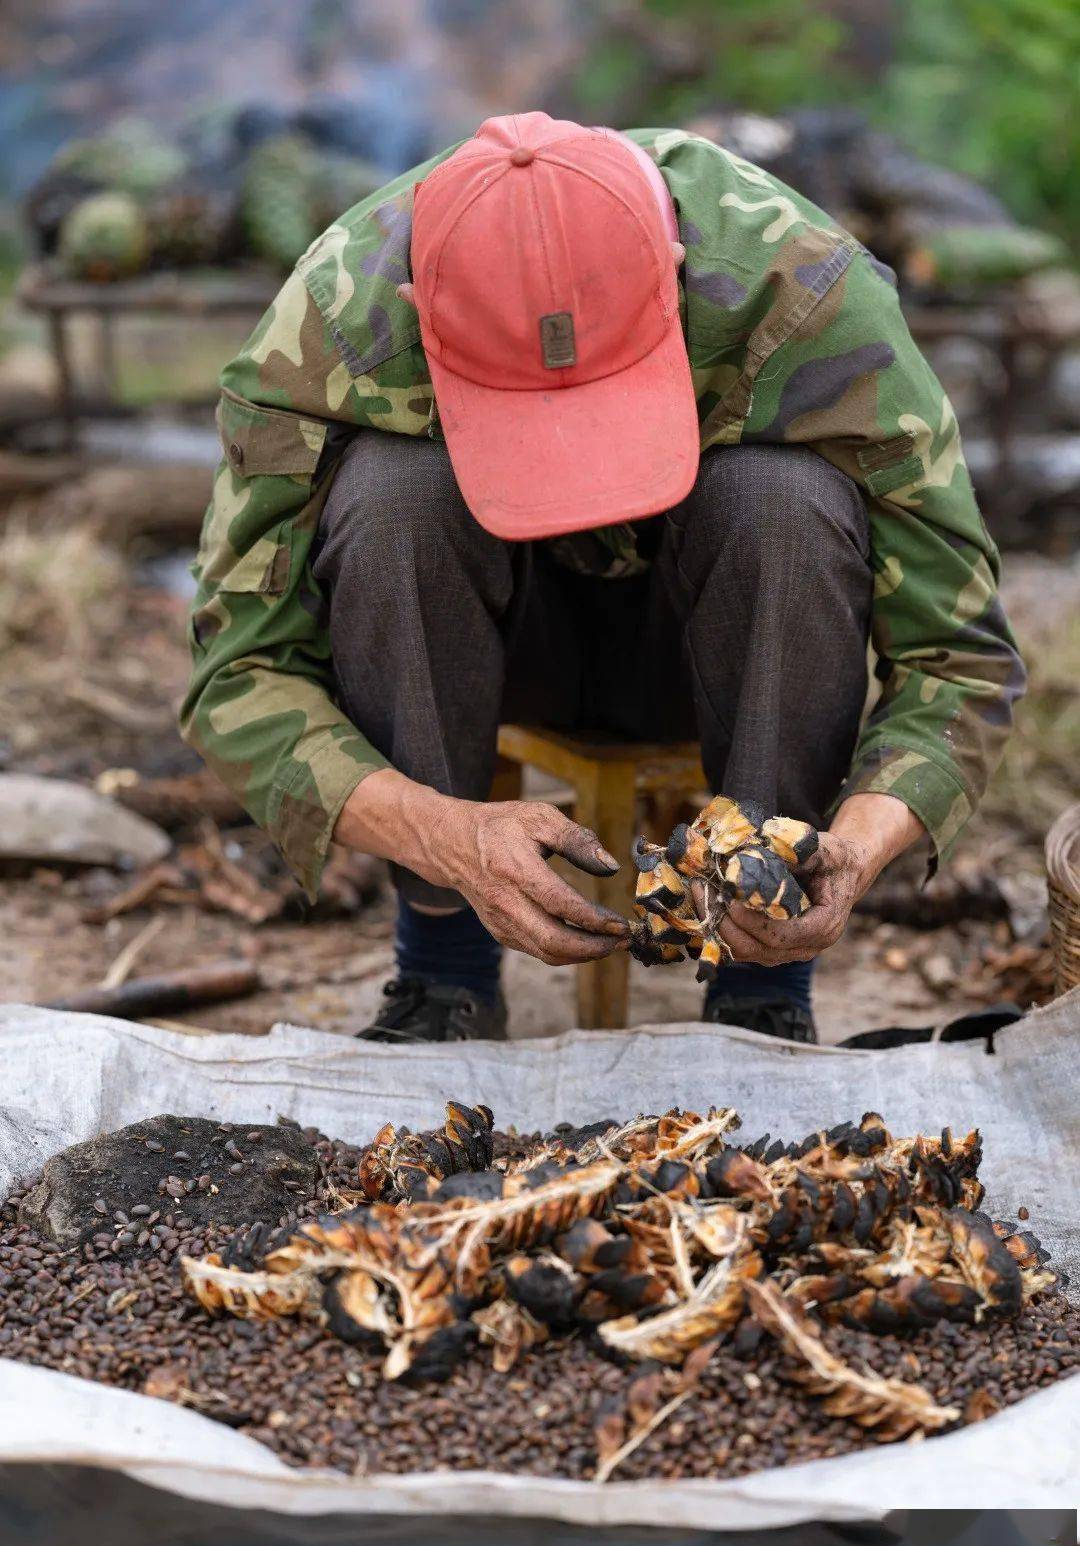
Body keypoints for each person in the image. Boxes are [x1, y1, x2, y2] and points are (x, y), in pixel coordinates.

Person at [181, 112, 1024, 1044]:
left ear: (673, 272)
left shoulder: (809, 301)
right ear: (424, 310)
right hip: (495, 654)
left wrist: (858, 851)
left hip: (714, 654)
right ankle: (443, 965)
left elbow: (958, 656)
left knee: (782, 501)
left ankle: (762, 981)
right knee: (392, 499)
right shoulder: (332, 331)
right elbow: (238, 672)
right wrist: (440, 835)